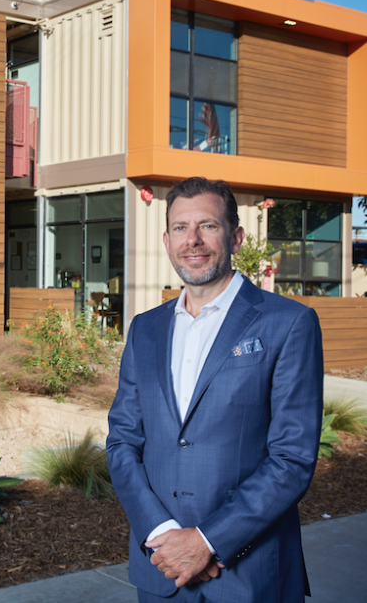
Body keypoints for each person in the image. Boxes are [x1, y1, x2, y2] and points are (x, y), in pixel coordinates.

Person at [106, 177, 323, 603]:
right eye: (181, 228)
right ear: (167, 241)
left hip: (250, 575)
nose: (193, 240)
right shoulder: (145, 329)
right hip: (160, 569)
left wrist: (207, 541)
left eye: (208, 225)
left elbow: (292, 457)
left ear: (236, 237)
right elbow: (122, 441)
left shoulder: (289, 323)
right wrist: (164, 535)